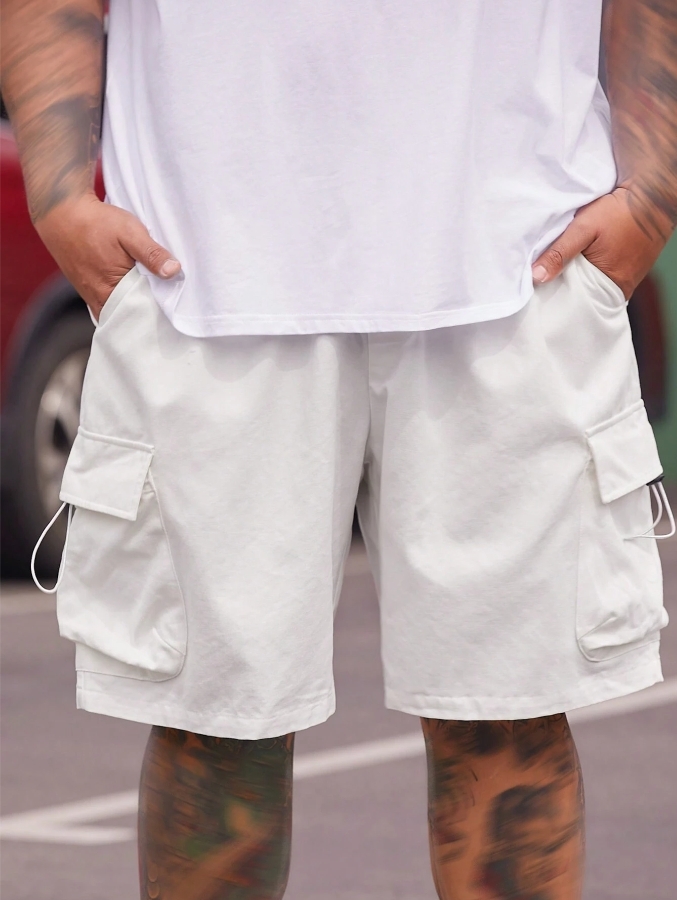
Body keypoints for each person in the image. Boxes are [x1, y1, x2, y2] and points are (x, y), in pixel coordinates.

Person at [3, 1, 676, 897]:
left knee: (507, 717)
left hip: (516, 258)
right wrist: (56, 192)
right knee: (215, 722)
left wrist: (653, 184)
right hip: (204, 264)